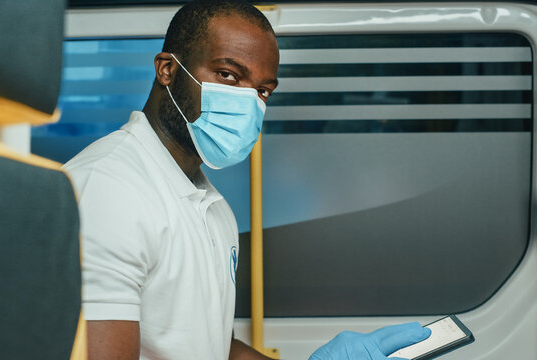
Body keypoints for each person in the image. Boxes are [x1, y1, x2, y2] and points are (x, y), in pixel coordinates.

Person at [63, 0, 430, 359]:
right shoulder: (108, 190)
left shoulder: (211, 206)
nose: (247, 101)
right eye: (227, 75)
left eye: (262, 90)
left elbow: (212, 346)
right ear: (167, 70)